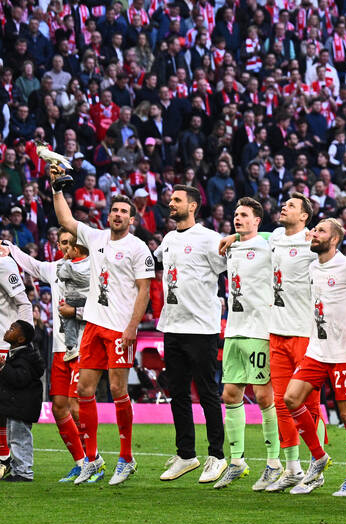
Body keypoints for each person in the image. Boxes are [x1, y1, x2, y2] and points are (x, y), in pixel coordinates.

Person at [51, 164, 154, 486]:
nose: (118, 214)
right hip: (93, 325)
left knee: (120, 390)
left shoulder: (138, 248)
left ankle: (126, 458)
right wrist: (56, 189)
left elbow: (145, 290)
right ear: (108, 215)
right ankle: (93, 460)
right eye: (114, 210)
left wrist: (132, 327)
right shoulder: (95, 237)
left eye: (124, 211)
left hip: (119, 329)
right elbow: (66, 221)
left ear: (132, 219)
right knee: (84, 391)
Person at [155, 185, 228, 484]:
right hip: (172, 324)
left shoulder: (210, 239)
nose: (170, 204)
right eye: (171, 200)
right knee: (178, 394)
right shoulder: (169, 239)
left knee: (208, 393)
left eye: (177, 200)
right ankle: (186, 454)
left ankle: (217, 456)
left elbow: (226, 269)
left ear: (193, 206)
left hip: (201, 328)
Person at [282, 219, 346, 496]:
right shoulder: (313, 267)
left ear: (335, 239)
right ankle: (319, 456)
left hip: (345, 354)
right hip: (317, 350)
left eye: (321, 232)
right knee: (291, 398)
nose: (314, 235)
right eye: (314, 231)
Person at [2, 233, 86, 481]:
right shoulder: (56, 268)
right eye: (62, 243)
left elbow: (105, 304)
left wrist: (76, 311)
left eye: (70, 243)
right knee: (60, 408)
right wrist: (11, 247)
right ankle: (81, 462)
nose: (65, 248)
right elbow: (32, 265)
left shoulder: (93, 269)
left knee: (76, 406)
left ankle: (93, 460)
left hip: (83, 345)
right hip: (59, 348)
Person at [214, 197, 281, 491]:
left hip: (259, 329)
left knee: (265, 397)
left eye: (244, 215)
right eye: (235, 215)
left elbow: (279, 233)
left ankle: (274, 463)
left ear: (257, 221)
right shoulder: (232, 248)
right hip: (235, 330)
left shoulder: (268, 242)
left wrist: (248, 234)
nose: (237, 218)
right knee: (230, 394)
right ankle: (238, 462)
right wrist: (233, 237)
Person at [263, 194, 323, 492]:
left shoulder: (312, 243)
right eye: (283, 203)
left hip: (304, 332)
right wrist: (234, 235)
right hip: (276, 330)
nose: (283, 206)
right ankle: (292, 468)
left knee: (308, 402)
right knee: (280, 403)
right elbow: (258, 235)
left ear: (304, 216)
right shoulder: (274, 237)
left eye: (291, 205)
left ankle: (317, 466)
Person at [0, 231, 35, 473]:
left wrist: (23, 344)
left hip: (4, 343)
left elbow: (24, 303)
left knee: (5, 407)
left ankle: (4, 458)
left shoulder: (3, 263)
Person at [0, 320, 45, 482]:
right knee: (14, 438)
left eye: (12, 329)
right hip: (15, 406)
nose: (8, 330)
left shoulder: (25, 356)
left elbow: (19, 379)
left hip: (22, 406)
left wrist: (4, 367)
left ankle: (24, 472)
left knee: (20, 439)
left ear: (20, 339)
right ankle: (18, 470)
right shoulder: (17, 354)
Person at [56, 235, 90, 362]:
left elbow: (60, 274)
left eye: (69, 248)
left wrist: (63, 261)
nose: (66, 251)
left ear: (75, 250)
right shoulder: (93, 262)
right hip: (88, 300)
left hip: (73, 299)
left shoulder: (69, 265)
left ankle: (71, 347)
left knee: (67, 316)